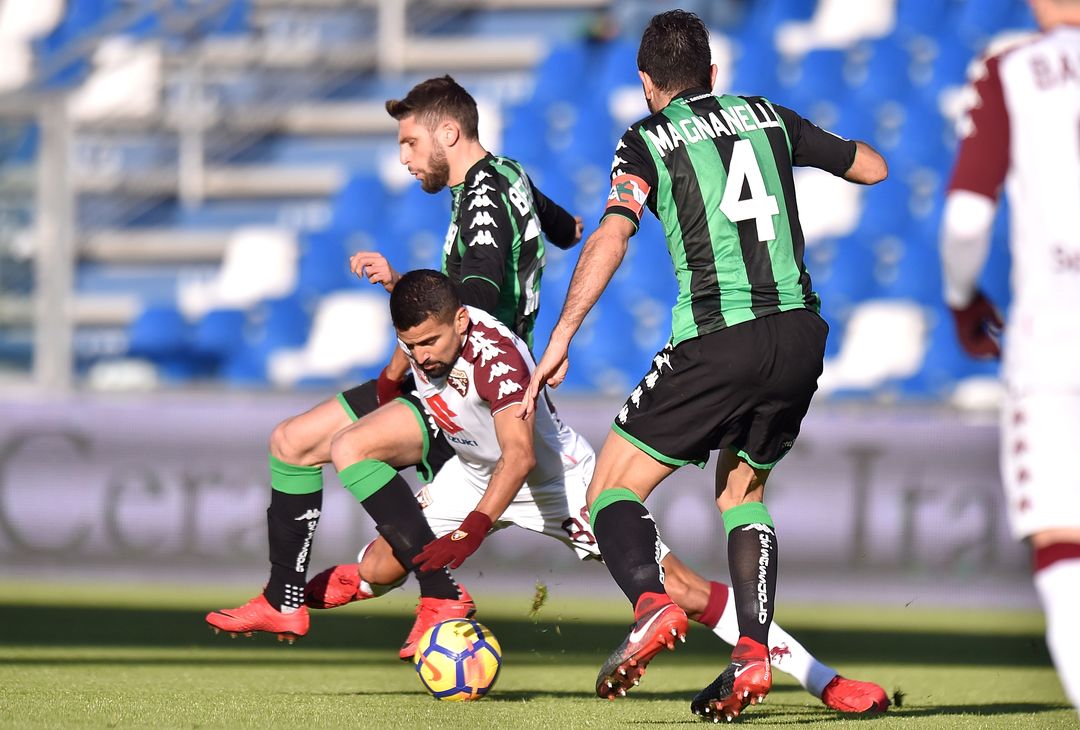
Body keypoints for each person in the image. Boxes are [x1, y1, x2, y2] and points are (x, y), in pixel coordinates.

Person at [521, 9, 888, 721]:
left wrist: (563, 333)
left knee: (610, 490)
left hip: (720, 335)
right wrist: (826, 145)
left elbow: (612, 236)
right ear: (713, 74)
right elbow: (870, 167)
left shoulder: (646, 139)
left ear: (647, 83)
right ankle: (752, 650)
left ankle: (651, 605)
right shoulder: (768, 116)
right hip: (800, 334)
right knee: (741, 491)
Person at [307, 269, 888, 714]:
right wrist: (394, 289)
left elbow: (520, 457)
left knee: (683, 591)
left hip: (556, 483)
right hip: (472, 474)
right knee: (382, 564)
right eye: (410, 346)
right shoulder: (428, 332)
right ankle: (306, 594)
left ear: (461, 320)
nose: (422, 357)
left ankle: (824, 681)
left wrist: (473, 530)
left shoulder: (496, 361)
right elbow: (420, 325)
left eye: (430, 342)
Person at [205, 75, 583, 658]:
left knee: (349, 448)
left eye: (410, 142)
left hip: (464, 380)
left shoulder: (483, 200)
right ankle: (284, 598)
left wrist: (404, 285)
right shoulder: (508, 176)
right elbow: (568, 229)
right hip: (432, 368)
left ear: (449, 133)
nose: (404, 158)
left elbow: (475, 305)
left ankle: (441, 593)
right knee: (291, 442)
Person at [939, 0, 1080, 714]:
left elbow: (968, 217)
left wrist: (962, 296)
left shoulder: (1011, 70)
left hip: (1057, 338)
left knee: (1063, 542)